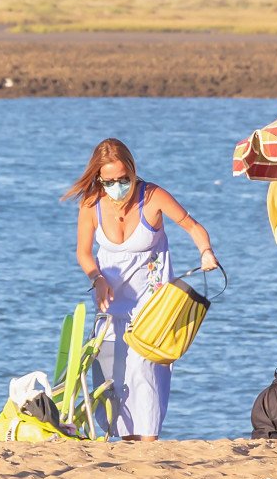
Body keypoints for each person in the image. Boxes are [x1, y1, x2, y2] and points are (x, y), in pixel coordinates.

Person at [65, 138, 219, 441]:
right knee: (112, 381)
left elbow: (192, 226)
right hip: (110, 307)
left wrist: (206, 252)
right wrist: (96, 278)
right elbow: (83, 253)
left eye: (125, 178)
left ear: (133, 171)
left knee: (144, 374)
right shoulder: (90, 203)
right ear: (98, 177)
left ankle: (146, 446)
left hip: (152, 309)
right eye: (110, 180)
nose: (118, 185)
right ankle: (123, 443)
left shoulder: (152, 197)